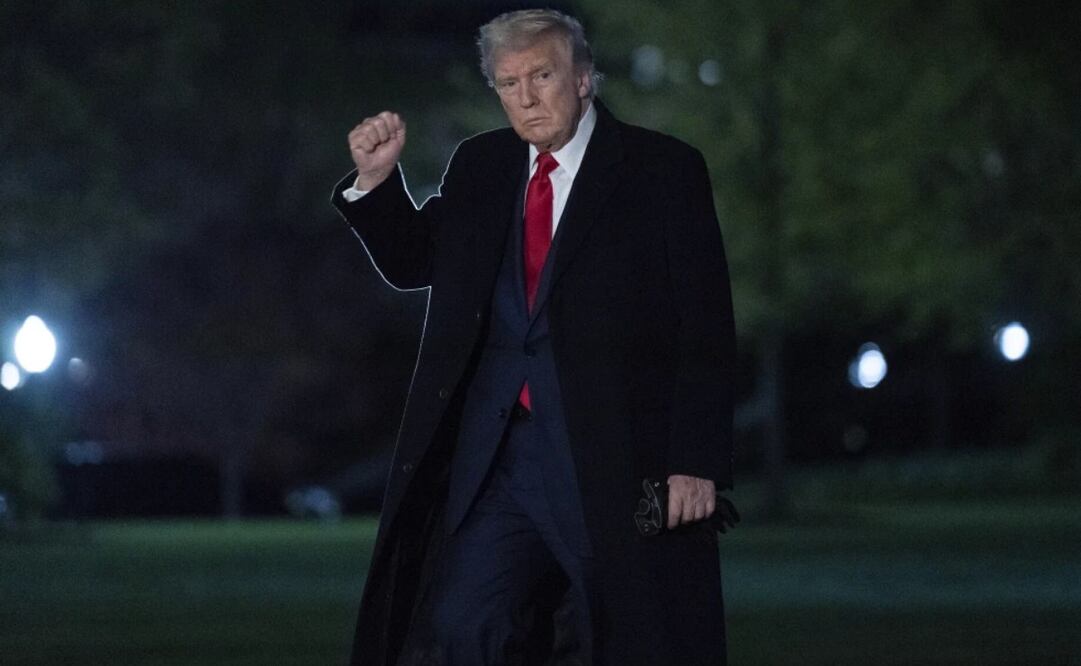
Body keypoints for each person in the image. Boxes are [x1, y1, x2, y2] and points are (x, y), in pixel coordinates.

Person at [332, 9, 735, 665]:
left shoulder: (662, 172)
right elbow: (416, 263)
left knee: (618, 634)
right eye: (507, 81)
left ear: (582, 78)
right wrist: (377, 182)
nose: (524, 96)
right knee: (465, 624)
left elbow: (704, 323)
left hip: (609, 455)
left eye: (541, 75)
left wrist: (693, 458)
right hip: (499, 457)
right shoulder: (480, 165)